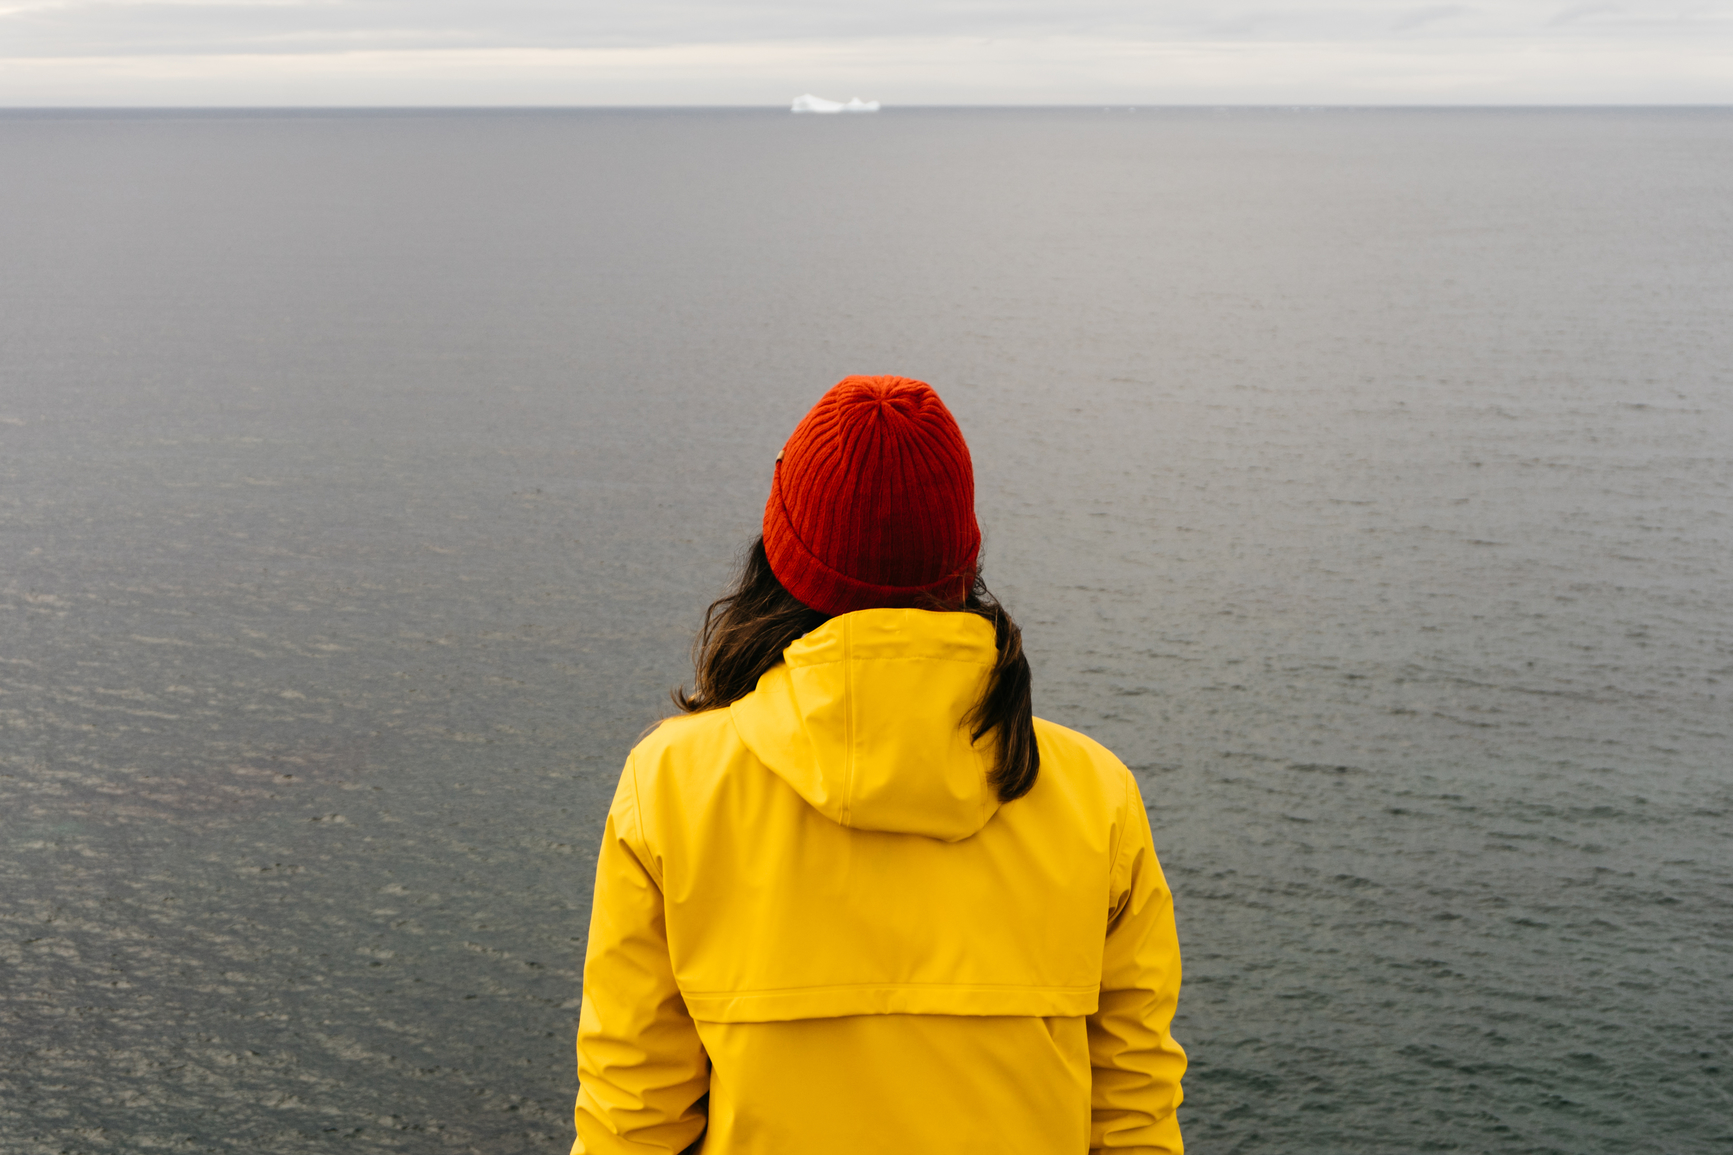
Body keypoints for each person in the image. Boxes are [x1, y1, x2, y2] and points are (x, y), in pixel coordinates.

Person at [573, 375, 1186, 1154]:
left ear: (784, 558)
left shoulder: (671, 786)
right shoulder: (1093, 795)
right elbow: (1134, 1114)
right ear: (962, 560)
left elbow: (631, 1115)